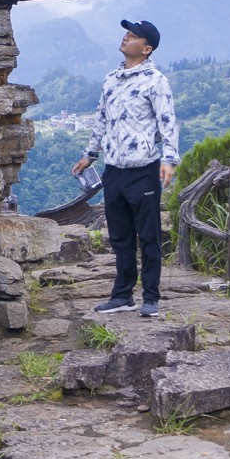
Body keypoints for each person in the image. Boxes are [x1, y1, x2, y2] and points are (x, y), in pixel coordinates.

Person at [72, 19, 179, 317]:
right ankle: (122, 296)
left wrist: (169, 160)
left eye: (133, 36)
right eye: (126, 33)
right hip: (114, 170)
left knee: (148, 237)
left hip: (143, 169)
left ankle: (151, 297)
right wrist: (89, 155)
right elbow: (101, 121)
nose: (125, 37)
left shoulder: (156, 81)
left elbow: (167, 122)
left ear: (146, 49)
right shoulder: (111, 80)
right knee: (119, 236)